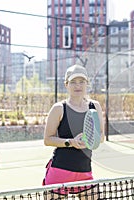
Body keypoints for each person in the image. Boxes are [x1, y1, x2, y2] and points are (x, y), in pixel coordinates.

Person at [43, 64, 104, 196]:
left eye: (82, 82)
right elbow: (47, 140)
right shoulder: (58, 108)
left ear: (87, 84)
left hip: (85, 172)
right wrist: (71, 142)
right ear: (66, 85)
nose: (78, 86)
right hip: (59, 172)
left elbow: (101, 136)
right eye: (73, 82)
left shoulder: (95, 106)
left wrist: (90, 139)